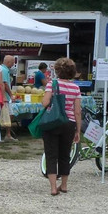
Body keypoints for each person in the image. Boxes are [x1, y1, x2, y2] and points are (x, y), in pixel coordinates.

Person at [41, 58, 83, 196]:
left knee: (51, 154)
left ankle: (53, 187)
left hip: (53, 122)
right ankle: (64, 185)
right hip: (69, 123)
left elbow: (45, 102)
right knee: (65, 155)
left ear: (57, 71)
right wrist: (78, 129)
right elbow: (77, 111)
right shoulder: (76, 88)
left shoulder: (52, 84)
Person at [0, 54, 18, 141]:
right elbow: (5, 84)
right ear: (8, 62)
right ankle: (8, 134)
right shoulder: (4, 70)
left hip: (2, 96)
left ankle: (5, 133)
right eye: (13, 63)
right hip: (4, 97)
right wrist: (10, 95)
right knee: (9, 114)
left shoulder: (1, 69)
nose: (13, 65)